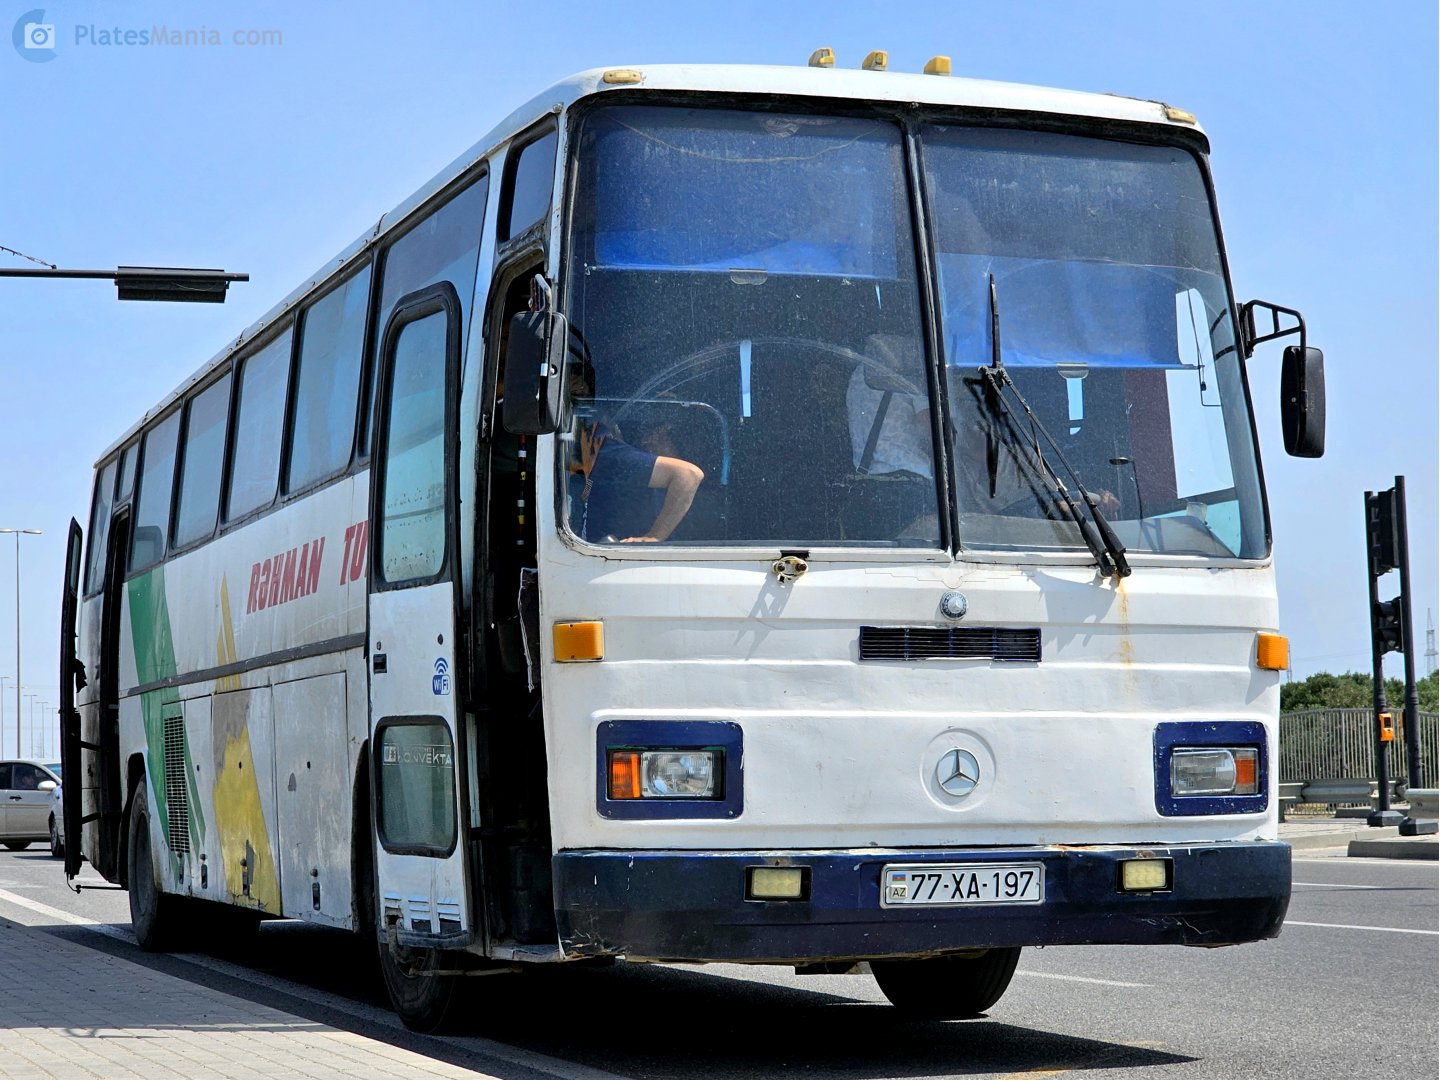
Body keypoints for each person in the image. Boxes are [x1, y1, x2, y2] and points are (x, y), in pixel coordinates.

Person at [568, 374, 705, 543]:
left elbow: (689, 474)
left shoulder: (604, 453)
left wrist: (653, 537)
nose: (651, 437)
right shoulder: (600, 453)